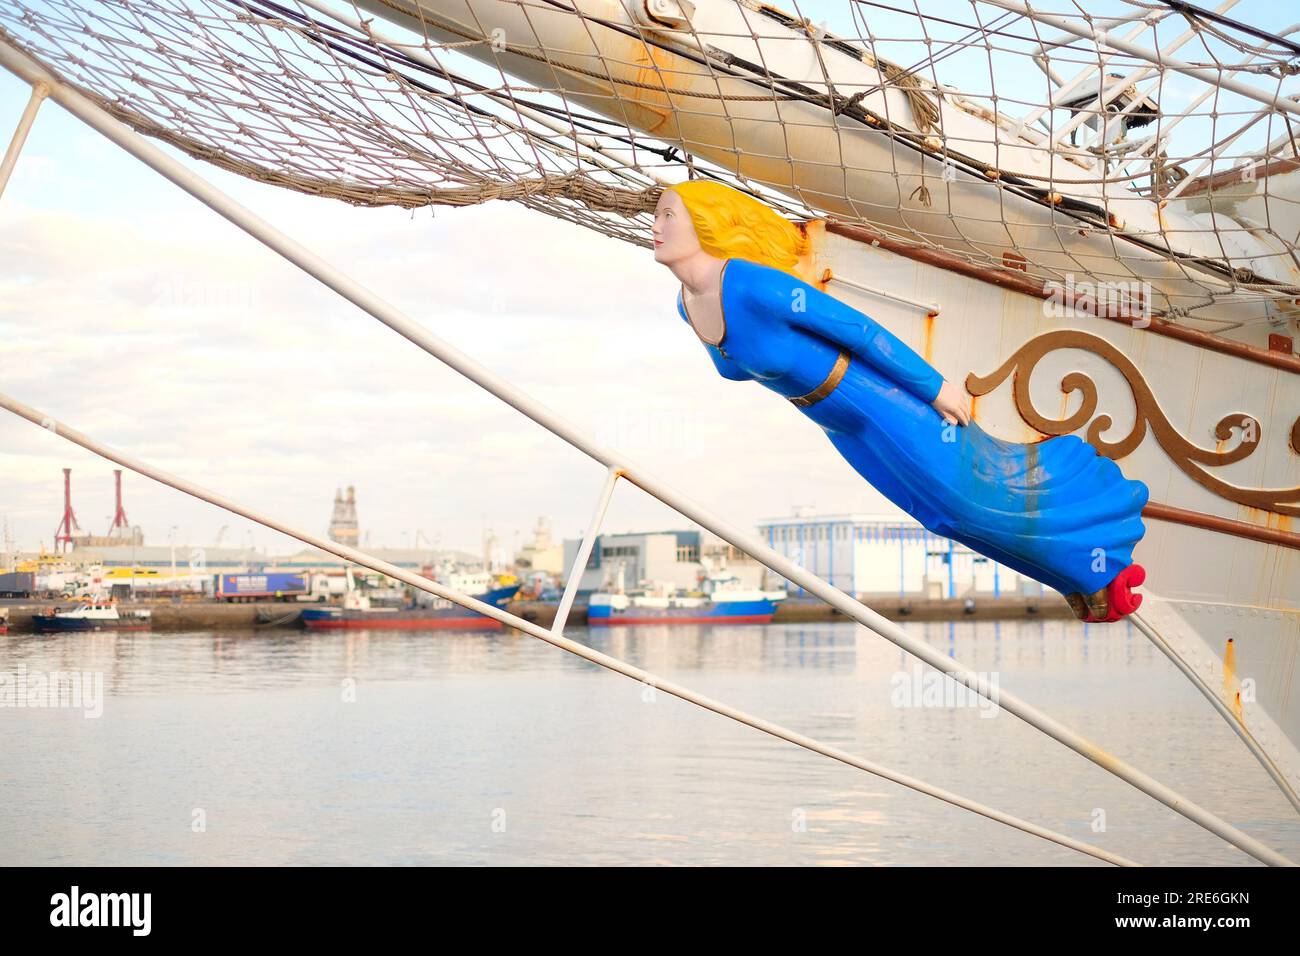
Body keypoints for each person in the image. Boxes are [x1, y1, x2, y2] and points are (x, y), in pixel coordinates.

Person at [653, 180, 1148, 623]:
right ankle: (1073, 580)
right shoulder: (686, 305)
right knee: (939, 519)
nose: (656, 226)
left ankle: (1101, 556)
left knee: (968, 504)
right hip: (833, 420)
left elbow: (860, 332)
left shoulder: (751, 284)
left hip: (875, 400)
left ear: (706, 222)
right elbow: (738, 365)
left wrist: (933, 387)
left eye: (668, 215)